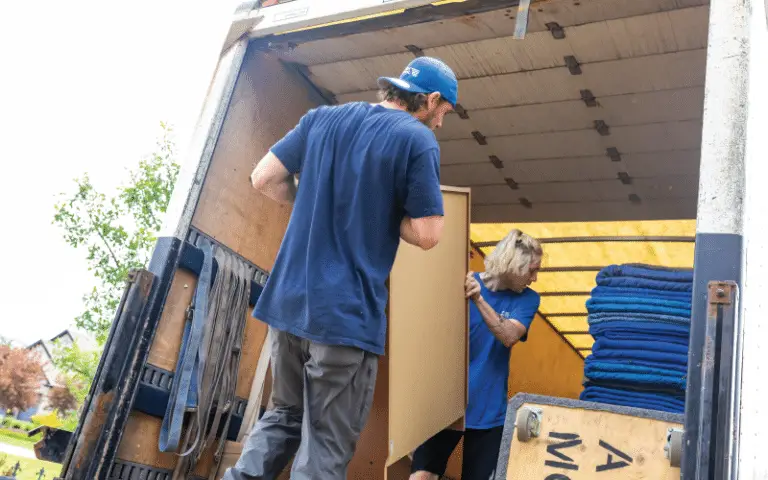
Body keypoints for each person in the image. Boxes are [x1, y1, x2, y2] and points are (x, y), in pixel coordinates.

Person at [222, 56, 459, 480]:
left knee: (283, 416)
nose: (440, 123)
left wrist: (316, 200)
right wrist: (385, 213)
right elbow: (428, 233)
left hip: (289, 305)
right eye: (444, 112)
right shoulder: (416, 140)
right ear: (431, 99)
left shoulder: (321, 120)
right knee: (326, 443)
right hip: (345, 317)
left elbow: (263, 178)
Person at [409, 229, 543, 480]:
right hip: (444, 405)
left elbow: (508, 337)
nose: (535, 278)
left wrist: (478, 299)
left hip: (489, 413)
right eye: (532, 270)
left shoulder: (528, 300)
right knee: (421, 476)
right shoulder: (460, 281)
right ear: (515, 265)